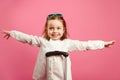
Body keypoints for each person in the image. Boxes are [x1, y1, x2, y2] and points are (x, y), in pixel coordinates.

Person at [2, 14, 115, 80]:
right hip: (45, 76)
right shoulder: (42, 41)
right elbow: (27, 38)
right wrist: (12, 33)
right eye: (51, 28)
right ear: (46, 30)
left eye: (58, 28)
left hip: (63, 77)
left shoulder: (67, 43)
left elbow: (85, 45)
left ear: (63, 29)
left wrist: (103, 44)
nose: (55, 31)